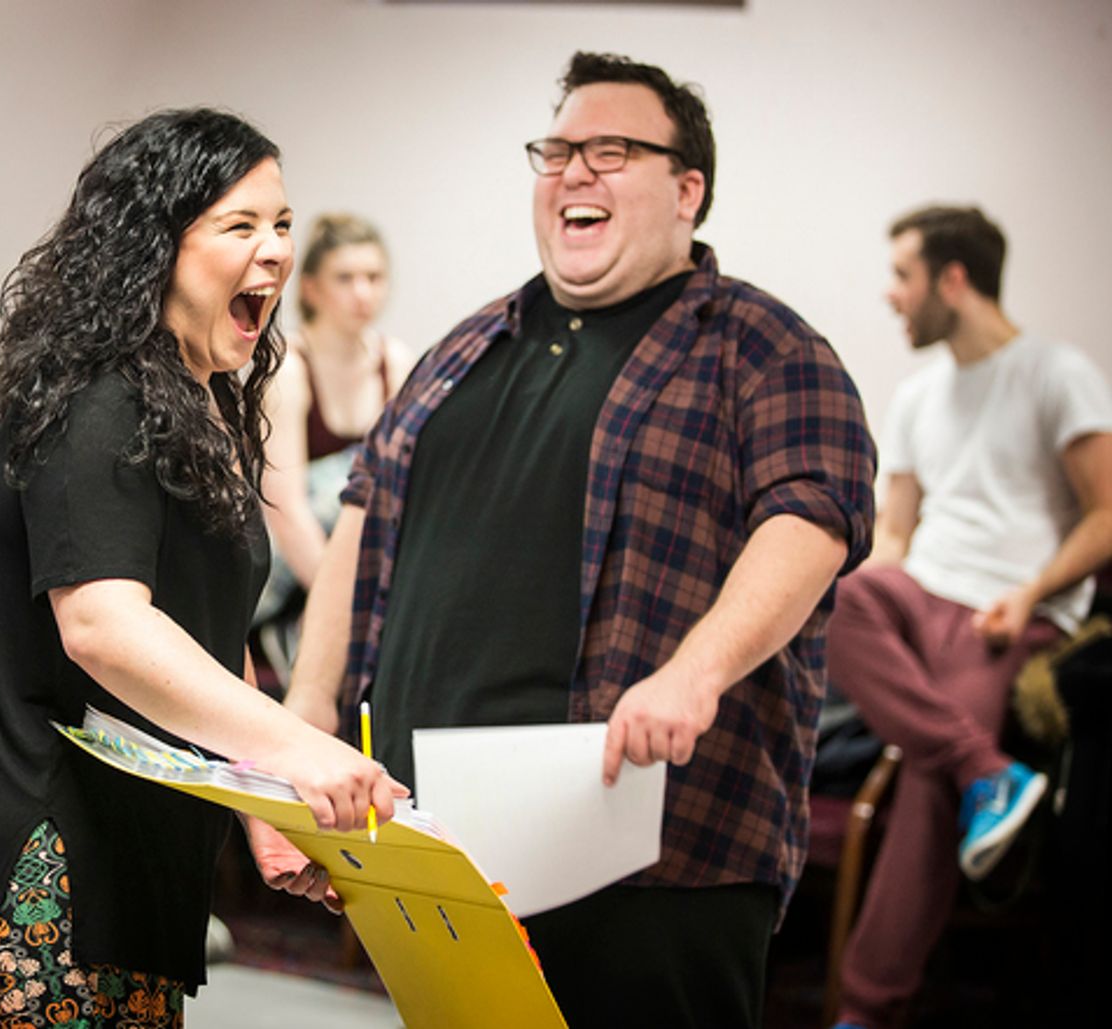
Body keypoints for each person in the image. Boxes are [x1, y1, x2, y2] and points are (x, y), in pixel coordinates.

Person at [271, 52, 877, 1028]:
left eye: (610, 150)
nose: (571, 173)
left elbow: (810, 517)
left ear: (688, 189)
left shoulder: (764, 347)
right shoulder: (461, 350)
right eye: (554, 151)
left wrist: (696, 669)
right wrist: (305, 722)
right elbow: (364, 519)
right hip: (441, 855)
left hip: (654, 859)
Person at [0, 108, 403, 1029]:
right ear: (154, 244)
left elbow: (198, 635)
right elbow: (106, 627)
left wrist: (259, 799)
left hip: (118, 850)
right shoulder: (97, 395)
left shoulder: (197, 401)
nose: (273, 250)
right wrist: (299, 745)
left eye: (280, 223)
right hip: (38, 852)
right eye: (240, 226)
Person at [827, 206, 1112, 1029]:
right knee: (834, 590)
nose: (891, 296)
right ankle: (984, 768)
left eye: (903, 277)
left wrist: (1030, 594)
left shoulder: (1057, 373)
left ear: (954, 279)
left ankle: (865, 1013)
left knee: (924, 774)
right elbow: (897, 532)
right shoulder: (918, 394)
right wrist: (863, 585)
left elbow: (1104, 517)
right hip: (925, 593)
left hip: (1008, 614)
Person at [254, 214, 414, 667]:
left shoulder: (396, 362)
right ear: (311, 288)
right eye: (345, 278)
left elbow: (400, 493)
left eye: (374, 277)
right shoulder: (287, 371)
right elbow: (284, 510)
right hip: (288, 580)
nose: (362, 292)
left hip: (363, 564)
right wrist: (343, 607)